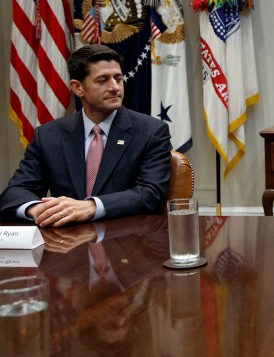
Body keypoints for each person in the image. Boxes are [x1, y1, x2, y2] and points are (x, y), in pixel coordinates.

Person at [0, 44, 172, 226]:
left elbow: (150, 194)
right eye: (102, 80)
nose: (115, 87)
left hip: (125, 241)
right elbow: (16, 191)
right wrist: (38, 210)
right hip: (65, 243)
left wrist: (91, 207)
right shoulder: (48, 135)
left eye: (118, 78)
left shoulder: (151, 131)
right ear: (77, 88)